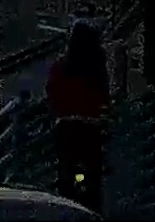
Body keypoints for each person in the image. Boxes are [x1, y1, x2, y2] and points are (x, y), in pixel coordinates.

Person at [45, 19, 110, 211]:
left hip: (66, 127)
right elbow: (104, 97)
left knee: (66, 171)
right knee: (93, 176)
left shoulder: (60, 67)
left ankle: (66, 205)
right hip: (91, 128)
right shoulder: (96, 68)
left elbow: (52, 94)